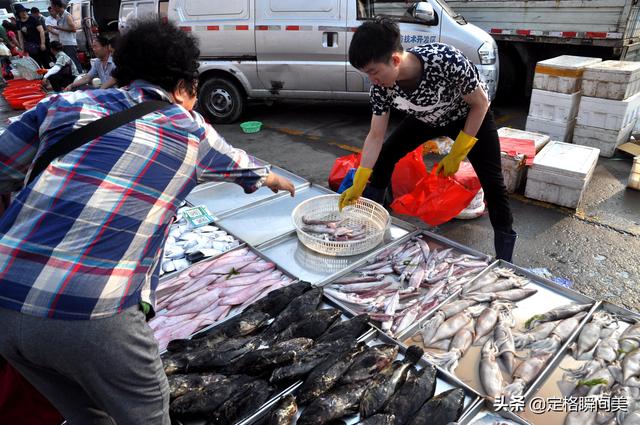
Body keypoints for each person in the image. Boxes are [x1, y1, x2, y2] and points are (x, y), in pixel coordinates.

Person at [0, 19, 294, 424]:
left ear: (122, 73)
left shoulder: (61, 107)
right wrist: (280, 182)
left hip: (4, 299)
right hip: (93, 312)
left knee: (86, 414)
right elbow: (251, 170)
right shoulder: (189, 129)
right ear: (184, 87)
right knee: (148, 413)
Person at [340, 19, 517, 261]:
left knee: (494, 184)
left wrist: (458, 152)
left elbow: (481, 103)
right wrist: (361, 178)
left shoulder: (445, 60)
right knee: (385, 157)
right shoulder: (381, 87)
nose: (373, 80)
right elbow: (376, 134)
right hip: (425, 118)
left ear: (394, 59)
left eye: (374, 72)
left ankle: (506, 259)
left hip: (467, 115)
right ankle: (372, 230)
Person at [50, 0, 82, 72]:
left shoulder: (67, 15)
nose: (52, 9)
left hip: (69, 43)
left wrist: (59, 28)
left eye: (52, 7)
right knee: (69, 63)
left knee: (74, 61)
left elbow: (73, 29)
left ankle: (80, 76)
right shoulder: (59, 16)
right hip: (63, 43)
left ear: (57, 6)